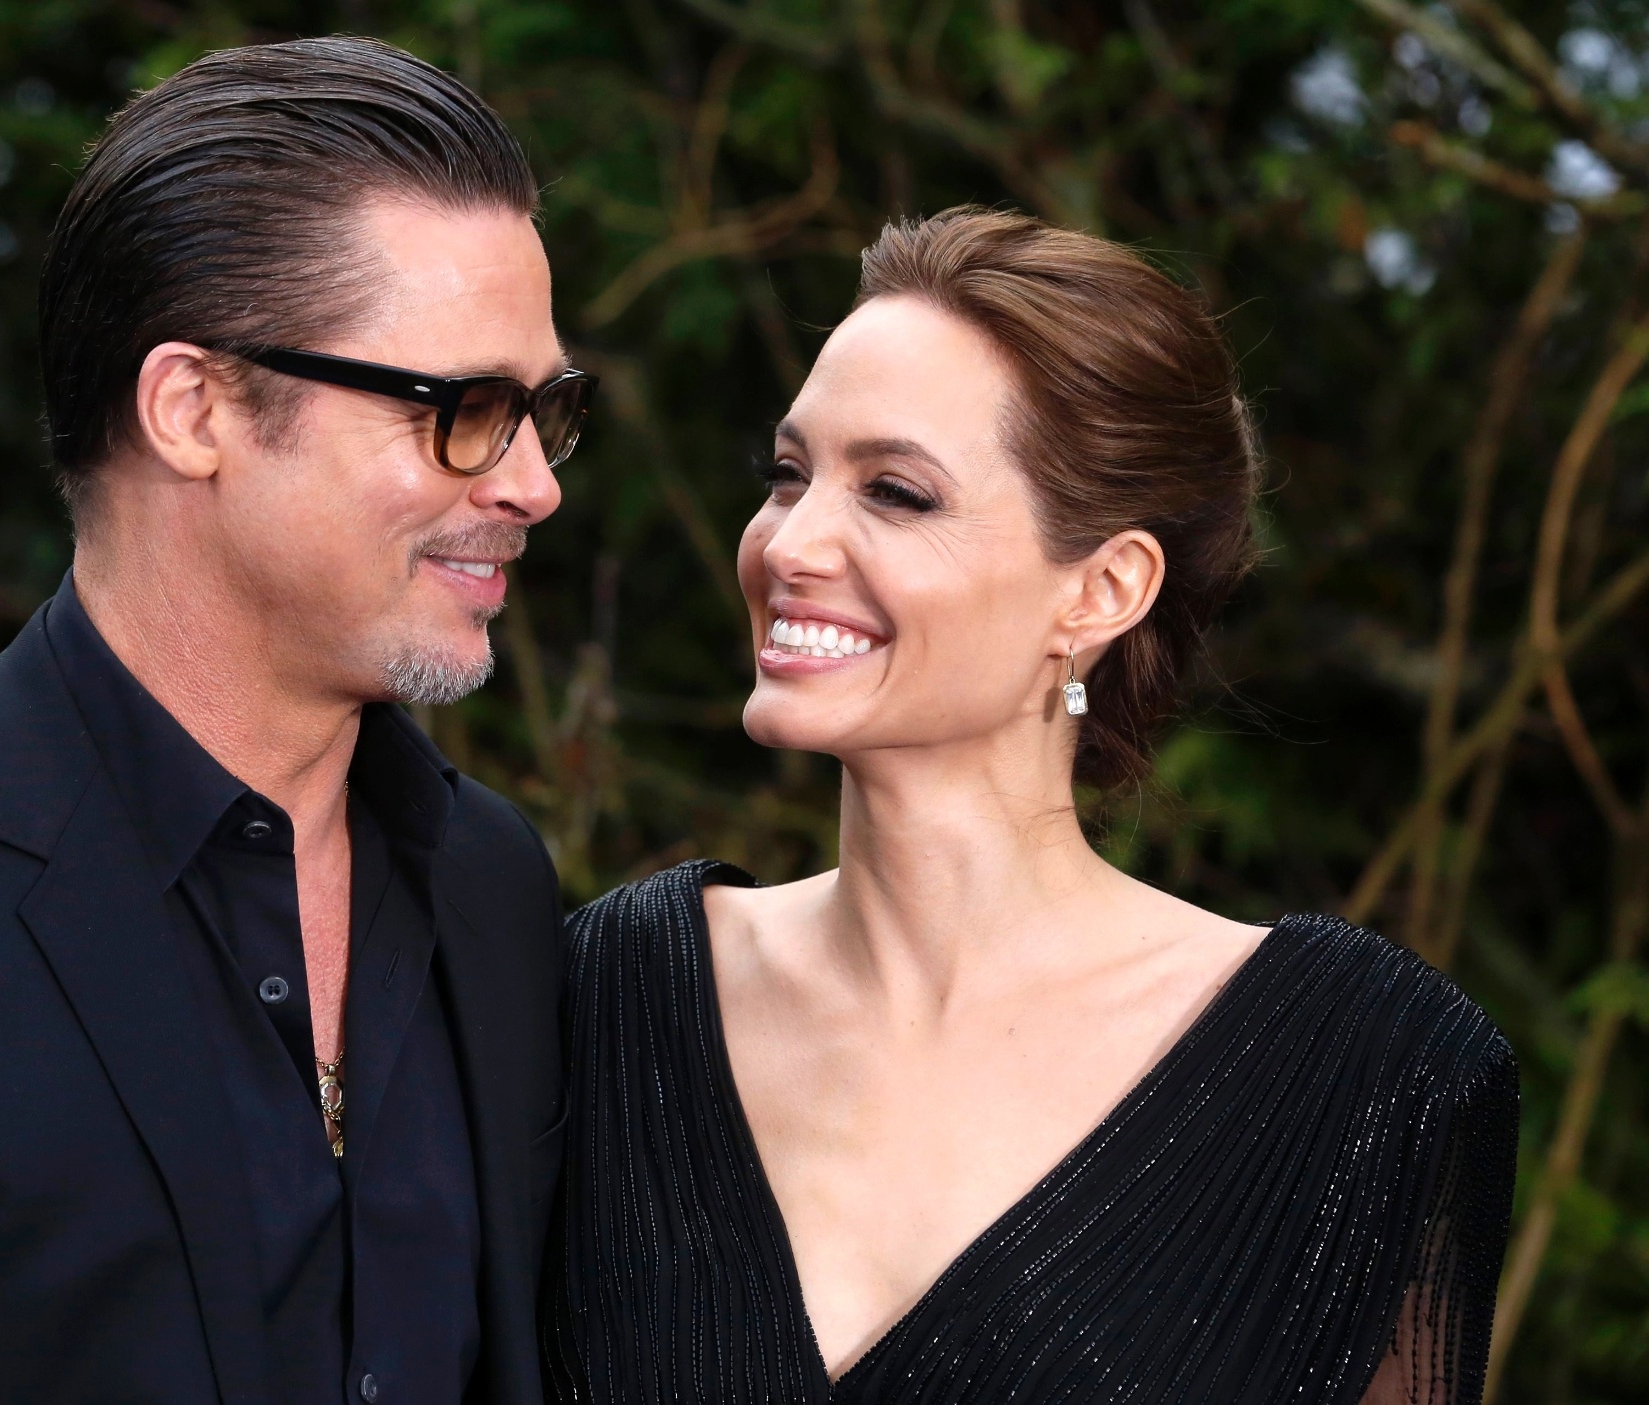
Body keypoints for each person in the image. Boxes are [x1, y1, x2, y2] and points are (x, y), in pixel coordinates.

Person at [0, 37, 590, 1405]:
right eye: (467, 410)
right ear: (194, 410)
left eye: (546, 410)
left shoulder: (491, 886)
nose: (533, 483)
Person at [544, 208, 1516, 1405]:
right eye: (788, 475)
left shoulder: (1367, 1075)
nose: (792, 543)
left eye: (896, 492)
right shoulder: (600, 996)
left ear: (1102, 589)